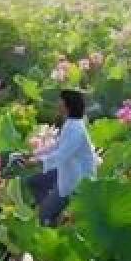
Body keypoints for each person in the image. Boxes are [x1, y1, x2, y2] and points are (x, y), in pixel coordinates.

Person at [23, 89, 97, 225]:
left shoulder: (76, 129)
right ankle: (54, 212)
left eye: (60, 101)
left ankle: (49, 219)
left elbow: (61, 155)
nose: (57, 104)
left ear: (68, 105)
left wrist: (37, 162)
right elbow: (56, 146)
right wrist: (33, 154)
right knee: (33, 182)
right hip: (66, 171)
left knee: (44, 215)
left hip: (78, 180)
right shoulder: (70, 123)